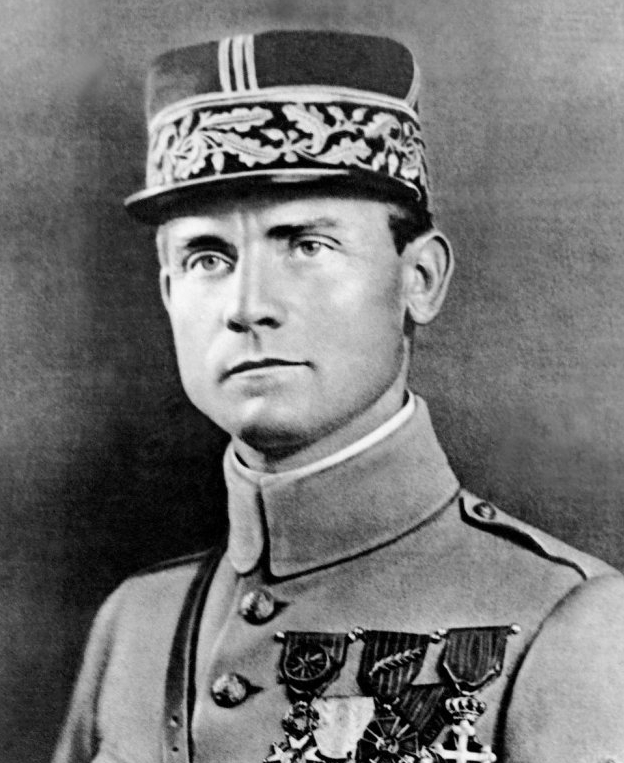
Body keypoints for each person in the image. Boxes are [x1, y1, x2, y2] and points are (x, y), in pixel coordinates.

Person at [53, 30, 624, 763]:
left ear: (419, 279)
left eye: (308, 245)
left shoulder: (568, 622)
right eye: (207, 257)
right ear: (168, 293)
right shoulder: (135, 624)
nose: (248, 306)